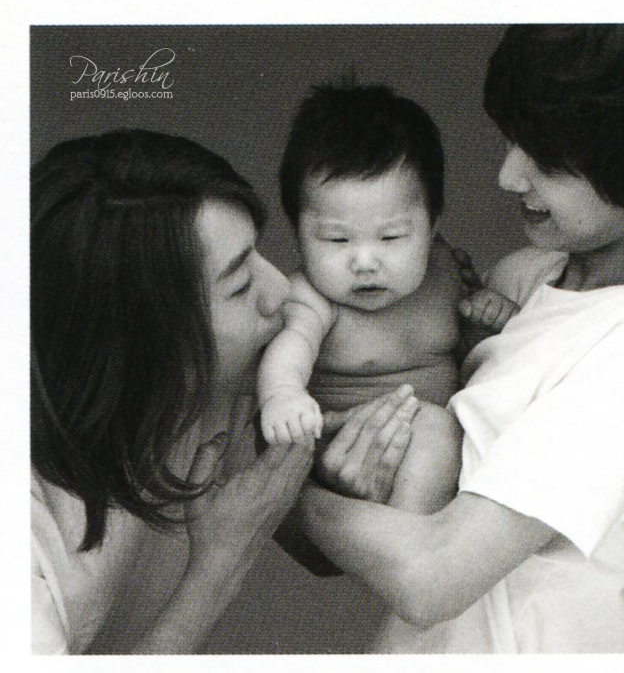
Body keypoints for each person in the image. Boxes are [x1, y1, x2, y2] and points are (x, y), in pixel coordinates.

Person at [296, 24, 624, 653]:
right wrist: (349, 486)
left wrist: (271, 486)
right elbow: (378, 546)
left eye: (546, 157)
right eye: (513, 141)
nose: (508, 175)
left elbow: (430, 579)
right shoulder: (528, 279)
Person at [30, 128, 418, 654]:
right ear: (142, 341)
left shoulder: (220, 391)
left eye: (257, 254)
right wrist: (219, 564)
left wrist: (333, 483)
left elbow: (317, 550)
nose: (282, 291)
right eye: (239, 286)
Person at [258, 84, 518, 511]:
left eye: (392, 237)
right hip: (345, 446)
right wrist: (283, 396)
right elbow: (290, 351)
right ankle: (412, 535)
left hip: (441, 451)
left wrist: (483, 321)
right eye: (337, 239)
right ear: (297, 233)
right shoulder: (311, 299)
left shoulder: (445, 272)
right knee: (433, 425)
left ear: (433, 226)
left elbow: (471, 359)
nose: (364, 262)